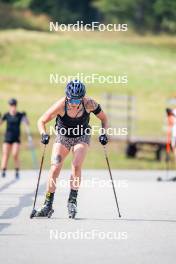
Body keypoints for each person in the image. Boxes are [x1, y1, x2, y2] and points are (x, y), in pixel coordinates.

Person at [36, 80, 109, 218]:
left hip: (81, 136)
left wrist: (103, 133)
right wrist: (43, 134)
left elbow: (104, 119)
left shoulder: (89, 104)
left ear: (82, 98)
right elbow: (41, 121)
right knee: (55, 167)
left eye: (78, 100)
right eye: (72, 100)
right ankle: (47, 204)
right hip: (63, 136)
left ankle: (72, 201)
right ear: (67, 97)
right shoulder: (61, 105)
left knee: (76, 165)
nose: (75, 104)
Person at [0, 98, 28, 179]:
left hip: (16, 139)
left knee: (15, 154)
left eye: (14, 105)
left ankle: (17, 171)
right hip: (7, 138)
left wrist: (25, 116)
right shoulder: (6, 115)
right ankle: (3, 171)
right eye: (11, 105)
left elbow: (27, 123)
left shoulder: (19, 115)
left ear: (16, 105)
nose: (13, 107)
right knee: (5, 154)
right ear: (9, 106)